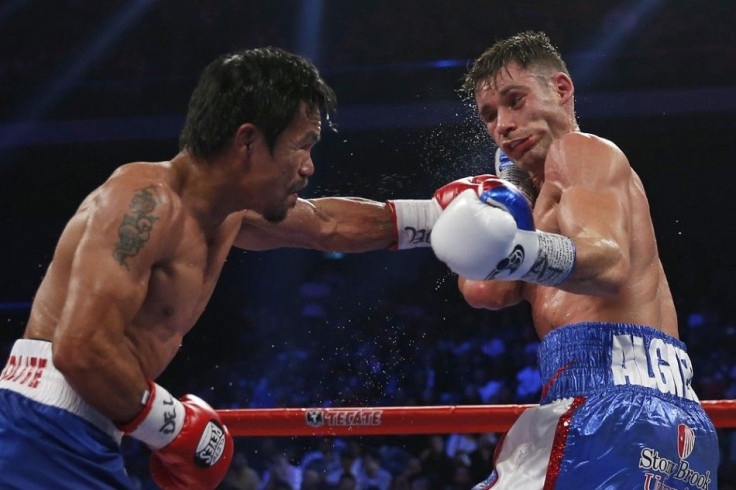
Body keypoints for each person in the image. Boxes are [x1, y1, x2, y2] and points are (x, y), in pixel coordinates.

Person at [0, 46, 481, 489]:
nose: (309, 166)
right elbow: (81, 348)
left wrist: (442, 217)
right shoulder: (143, 201)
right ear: (248, 141)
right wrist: (171, 426)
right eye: (302, 144)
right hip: (42, 425)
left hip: (87, 431)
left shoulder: (228, 213)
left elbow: (327, 224)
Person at [429, 31, 720, 488]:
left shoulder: (583, 152)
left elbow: (607, 265)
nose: (503, 124)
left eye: (515, 100)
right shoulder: (542, 199)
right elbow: (488, 291)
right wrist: (511, 201)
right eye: (490, 115)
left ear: (561, 90)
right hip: (668, 421)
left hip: (609, 408)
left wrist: (502, 241)